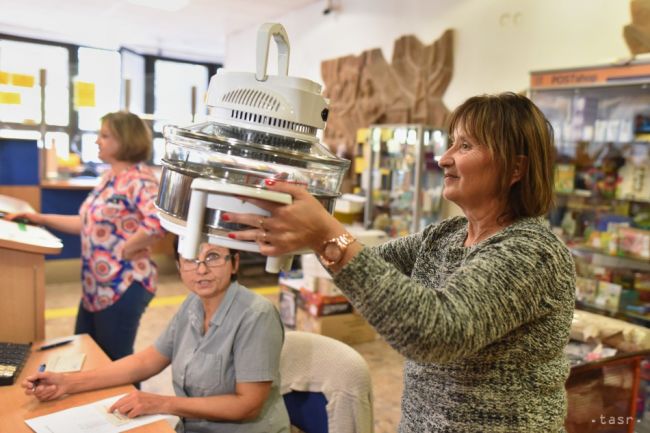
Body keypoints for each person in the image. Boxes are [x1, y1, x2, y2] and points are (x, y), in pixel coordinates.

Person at [223, 92, 576, 432]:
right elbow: (369, 268)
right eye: (451, 142)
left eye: (465, 146)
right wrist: (302, 229)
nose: (444, 158)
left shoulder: (532, 252)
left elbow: (436, 333)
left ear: (516, 168)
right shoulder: (447, 235)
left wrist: (325, 236)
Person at [22, 241, 290, 433]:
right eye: (190, 259)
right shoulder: (192, 305)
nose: (201, 269)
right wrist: (67, 383)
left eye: (213, 257)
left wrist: (161, 403)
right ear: (178, 266)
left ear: (235, 263)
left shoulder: (256, 315)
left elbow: (248, 406)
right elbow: (146, 361)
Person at [8, 112, 164, 361]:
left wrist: (128, 247)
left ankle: (127, 402)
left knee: (116, 363)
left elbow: (159, 220)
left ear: (125, 140)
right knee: (86, 355)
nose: (97, 141)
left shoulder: (140, 179)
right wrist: (41, 218)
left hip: (122, 284)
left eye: (105, 135)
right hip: (96, 286)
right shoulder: (109, 177)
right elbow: (86, 223)